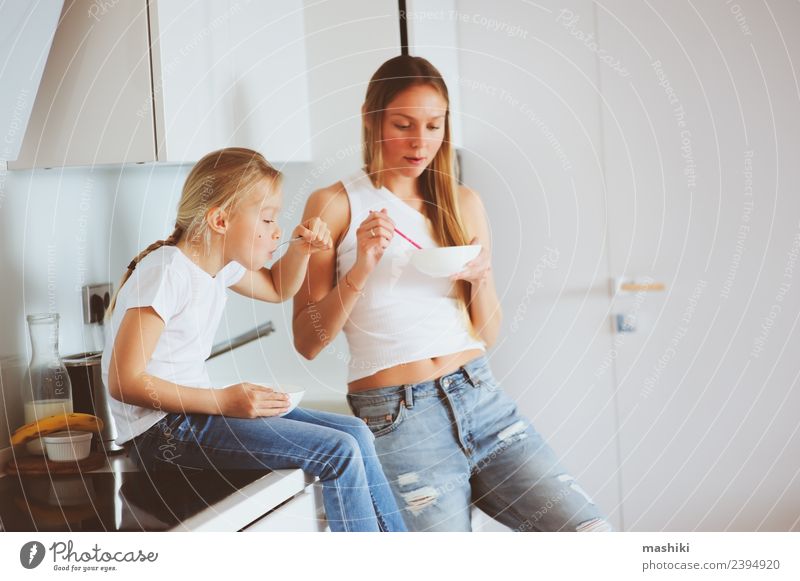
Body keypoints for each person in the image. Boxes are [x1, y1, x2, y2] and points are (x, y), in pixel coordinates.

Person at [292, 56, 613, 532]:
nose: (419, 141)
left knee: (590, 534)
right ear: (371, 118)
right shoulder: (336, 204)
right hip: (398, 420)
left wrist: (480, 278)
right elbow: (308, 340)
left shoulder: (463, 203)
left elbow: (488, 331)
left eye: (433, 125)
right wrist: (361, 266)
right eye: (403, 124)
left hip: (481, 398)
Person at [101, 147, 406, 532]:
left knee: (356, 432)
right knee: (338, 451)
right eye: (266, 219)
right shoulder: (168, 272)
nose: (276, 230)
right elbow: (124, 381)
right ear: (220, 220)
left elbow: (278, 287)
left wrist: (300, 250)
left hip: (191, 418)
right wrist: (223, 400)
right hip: (162, 437)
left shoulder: (215, 266)